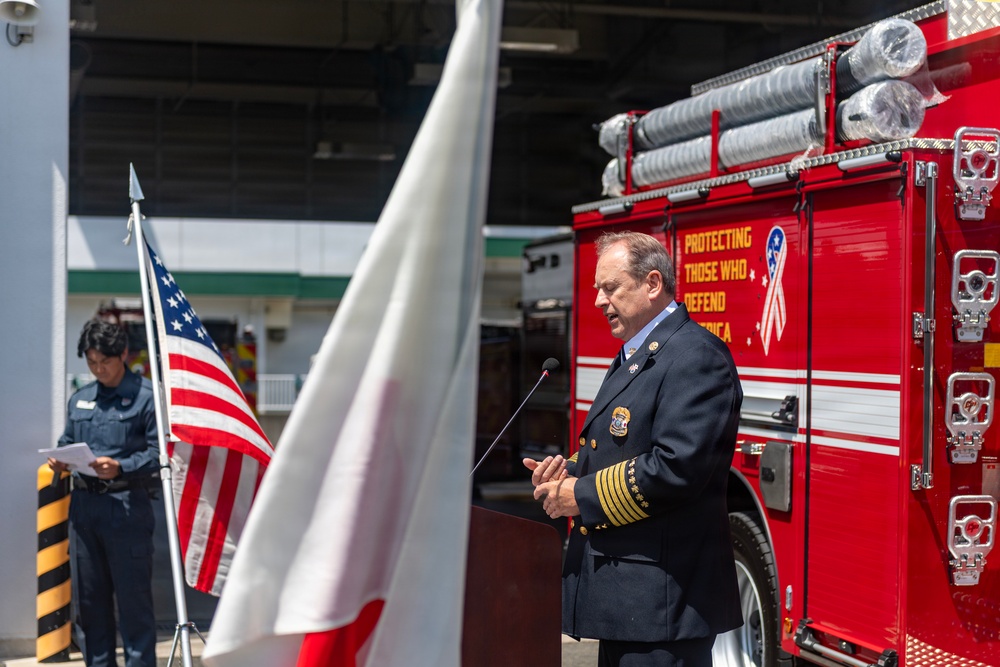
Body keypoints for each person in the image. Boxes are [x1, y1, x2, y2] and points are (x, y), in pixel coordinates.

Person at [524, 231, 743, 667]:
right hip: (631, 604)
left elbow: (676, 468)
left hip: (663, 604)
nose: (599, 302)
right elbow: (622, 446)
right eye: (597, 290)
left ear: (653, 284)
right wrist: (565, 472)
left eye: (611, 288)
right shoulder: (639, 352)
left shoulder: (696, 357)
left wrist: (579, 497)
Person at [49, 319, 159, 667]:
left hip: (127, 508)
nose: (99, 370)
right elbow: (67, 442)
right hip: (85, 510)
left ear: (123, 354)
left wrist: (122, 466)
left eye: (105, 362)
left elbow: (160, 454)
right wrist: (59, 459)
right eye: (92, 363)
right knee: (91, 604)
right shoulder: (81, 399)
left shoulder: (146, 398)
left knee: (133, 602)